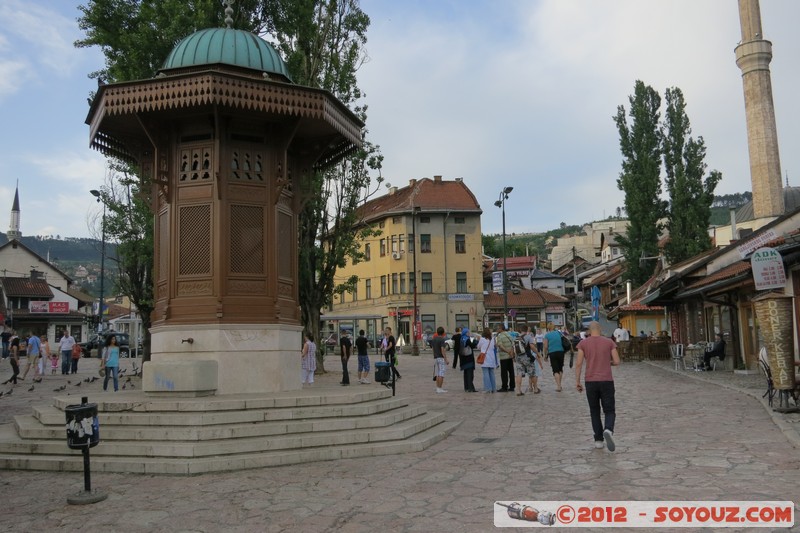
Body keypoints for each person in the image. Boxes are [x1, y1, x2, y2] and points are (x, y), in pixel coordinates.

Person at [575, 321, 621, 451]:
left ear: (589, 331)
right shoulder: (609, 342)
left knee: (594, 411)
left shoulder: (583, 343)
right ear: (600, 329)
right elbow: (617, 361)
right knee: (609, 410)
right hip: (606, 380)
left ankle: (599, 440)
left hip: (590, 381)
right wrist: (608, 363)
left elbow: (578, 364)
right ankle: (608, 429)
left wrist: (577, 381)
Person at [515, 325, 543, 395]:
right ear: (527, 330)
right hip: (527, 357)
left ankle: (518, 390)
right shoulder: (529, 337)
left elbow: (514, 349)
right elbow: (532, 346)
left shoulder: (516, 338)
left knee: (519, 374)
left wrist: (513, 357)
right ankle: (536, 389)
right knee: (532, 373)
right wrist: (538, 353)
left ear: (520, 330)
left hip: (518, 358)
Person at [453, 327, 477, 392]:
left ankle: (466, 387)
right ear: (466, 333)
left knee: (466, 374)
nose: (469, 333)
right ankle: (470, 388)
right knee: (470, 374)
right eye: (468, 332)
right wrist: (475, 340)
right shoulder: (467, 339)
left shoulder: (461, 338)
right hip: (468, 359)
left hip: (463, 359)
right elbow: (473, 345)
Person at [543, 325, 567, 392]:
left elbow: (545, 346)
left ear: (548, 328)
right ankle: (560, 384)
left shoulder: (547, 335)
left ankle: (558, 386)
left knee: (555, 370)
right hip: (561, 352)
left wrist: (545, 355)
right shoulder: (559, 333)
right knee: (560, 369)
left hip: (552, 353)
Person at [495, 323, 515, 392]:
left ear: (501, 329)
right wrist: (511, 352)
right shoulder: (508, 334)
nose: (497, 330)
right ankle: (512, 386)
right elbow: (513, 344)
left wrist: (507, 351)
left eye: (498, 328)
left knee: (504, 372)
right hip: (510, 356)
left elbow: (500, 346)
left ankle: (504, 387)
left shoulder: (499, 336)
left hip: (504, 357)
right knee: (511, 371)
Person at [478, 327, 498, 393]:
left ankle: (487, 388)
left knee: (485, 373)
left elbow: (478, 347)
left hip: (485, 357)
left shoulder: (482, 339)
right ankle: (493, 388)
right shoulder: (492, 339)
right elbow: (494, 346)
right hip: (492, 357)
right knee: (492, 373)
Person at [430, 326, 449, 393]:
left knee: (438, 373)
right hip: (441, 357)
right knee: (441, 373)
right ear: (443, 333)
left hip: (436, 357)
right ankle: (440, 388)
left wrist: (434, 355)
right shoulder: (442, 339)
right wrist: (446, 359)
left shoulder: (434, 339)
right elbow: (442, 350)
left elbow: (432, 348)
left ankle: (438, 387)